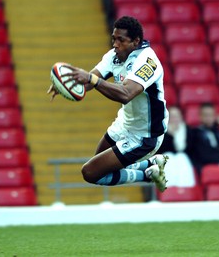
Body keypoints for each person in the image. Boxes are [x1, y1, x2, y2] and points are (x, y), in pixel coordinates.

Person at [47, 16, 169, 192]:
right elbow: (90, 81)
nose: (115, 44)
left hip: (145, 135)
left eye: (121, 40)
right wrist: (66, 84)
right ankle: (151, 165)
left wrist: (92, 79)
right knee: (102, 168)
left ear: (135, 41)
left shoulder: (148, 62)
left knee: (90, 172)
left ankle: (147, 173)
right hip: (124, 123)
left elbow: (126, 94)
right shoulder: (113, 56)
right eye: (114, 38)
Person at [189, 103, 219, 171]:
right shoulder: (194, 133)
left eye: (211, 115)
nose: (209, 118)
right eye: (206, 115)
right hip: (208, 168)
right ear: (200, 116)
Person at [157, 106, 196, 187]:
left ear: (181, 117)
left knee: (182, 157)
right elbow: (162, 149)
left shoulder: (187, 130)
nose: (175, 119)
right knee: (169, 157)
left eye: (177, 116)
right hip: (167, 159)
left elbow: (190, 148)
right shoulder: (161, 131)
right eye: (172, 116)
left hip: (184, 160)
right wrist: (170, 135)